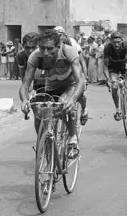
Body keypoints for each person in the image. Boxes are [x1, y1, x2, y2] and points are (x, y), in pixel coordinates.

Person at [20, 29, 86, 159]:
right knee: (40, 112)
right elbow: (25, 85)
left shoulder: (68, 51)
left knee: (63, 104)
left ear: (58, 46)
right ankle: (46, 143)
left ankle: (73, 139)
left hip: (71, 84)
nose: (45, 53)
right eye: (42, 48)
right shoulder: (35, 56)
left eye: (50, 48)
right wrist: (24, 100)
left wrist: (72, 100)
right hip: (51, 86)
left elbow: (80, 81)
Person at [103, 31, 127, 120]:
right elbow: (105, 66)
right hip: (113, 68)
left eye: (118, 42)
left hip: (126, 66)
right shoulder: (107, 48)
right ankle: (117, 110)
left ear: (122, 41)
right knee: (114, 86)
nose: (116, 45)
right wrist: (108, 79)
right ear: (111, 42)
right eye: (114, 42)